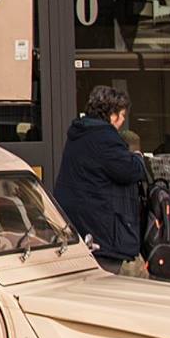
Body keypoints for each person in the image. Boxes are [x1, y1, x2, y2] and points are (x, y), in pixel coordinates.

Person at [52, 85, 147, 275]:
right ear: (112, 114)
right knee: (107, 280)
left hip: (77, 220)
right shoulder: (104, 137)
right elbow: (129, 171)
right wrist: (138, 157)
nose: (122, 121)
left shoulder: (80, 132)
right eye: (122, 115)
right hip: (99, 227)